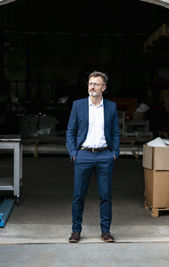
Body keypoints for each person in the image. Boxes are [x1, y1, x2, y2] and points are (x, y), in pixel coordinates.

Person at [66, 71, 120, 243]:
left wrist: (114, 153)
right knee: (78, 196)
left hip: (105, 155)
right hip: (83, 155)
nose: (92, 86)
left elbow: (116, 132)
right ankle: (76, 231)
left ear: (103, 87)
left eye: (96, 84)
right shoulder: (78, 105)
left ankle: (106, 232)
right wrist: (74, 153)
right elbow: (70, 132)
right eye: (90, 83)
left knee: (105, 196)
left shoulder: (111, 106)